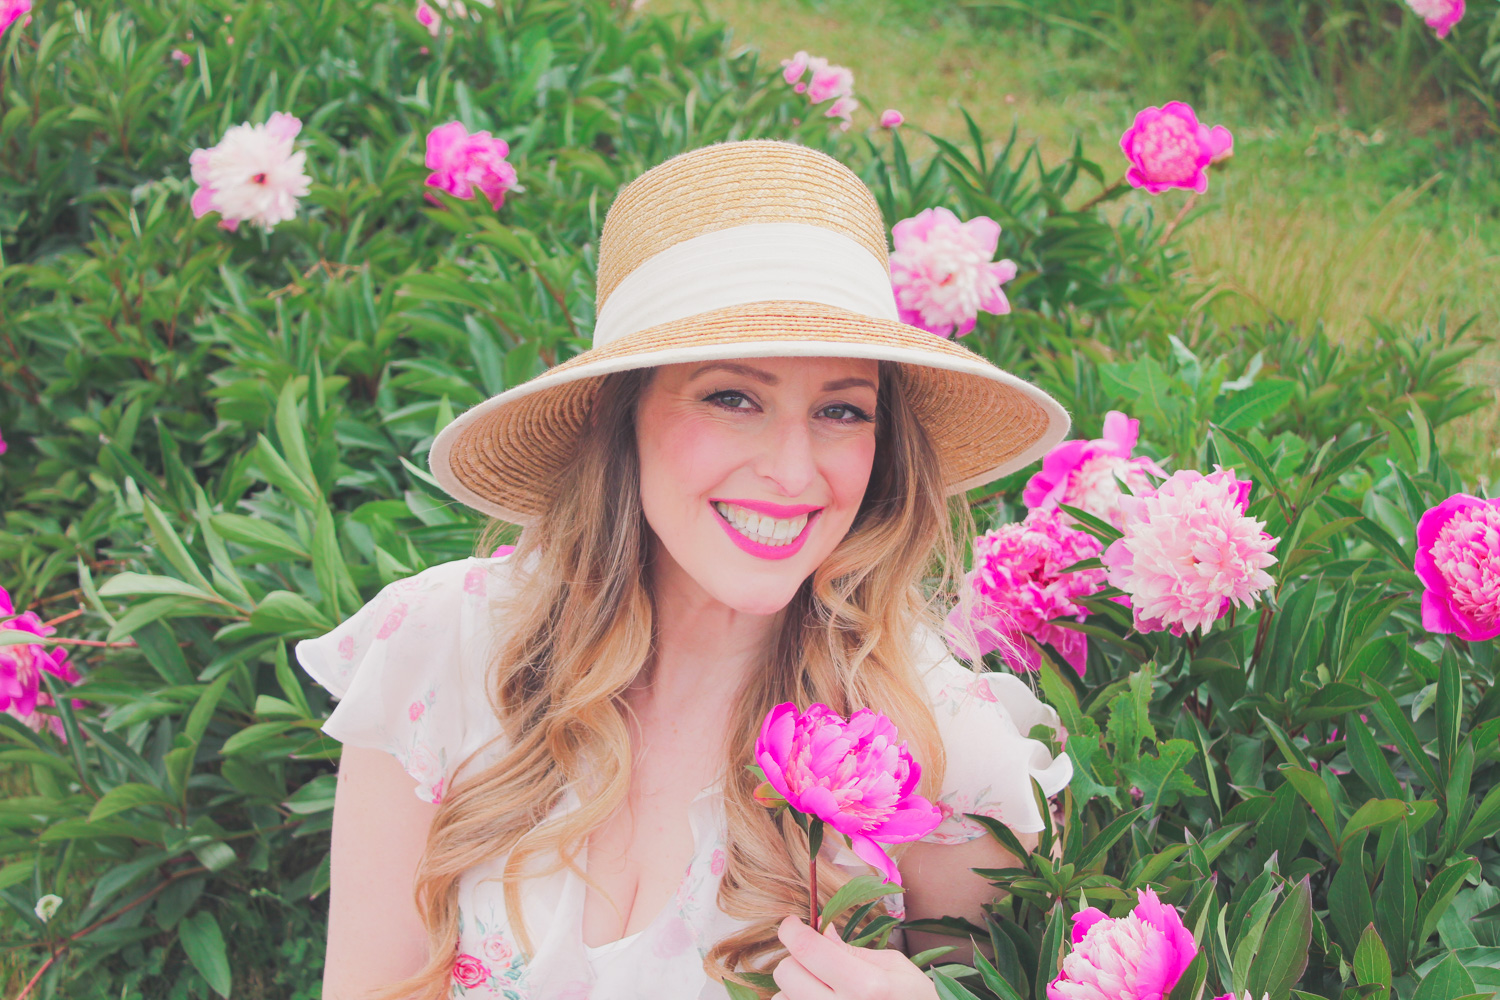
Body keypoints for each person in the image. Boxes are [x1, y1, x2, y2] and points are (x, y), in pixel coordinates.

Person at [295, 140, 1074, 1000]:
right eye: (732, 397)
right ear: (618, 415)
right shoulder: (443, 649)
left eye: (842, 410)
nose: (791, 470)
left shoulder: (935, 755)